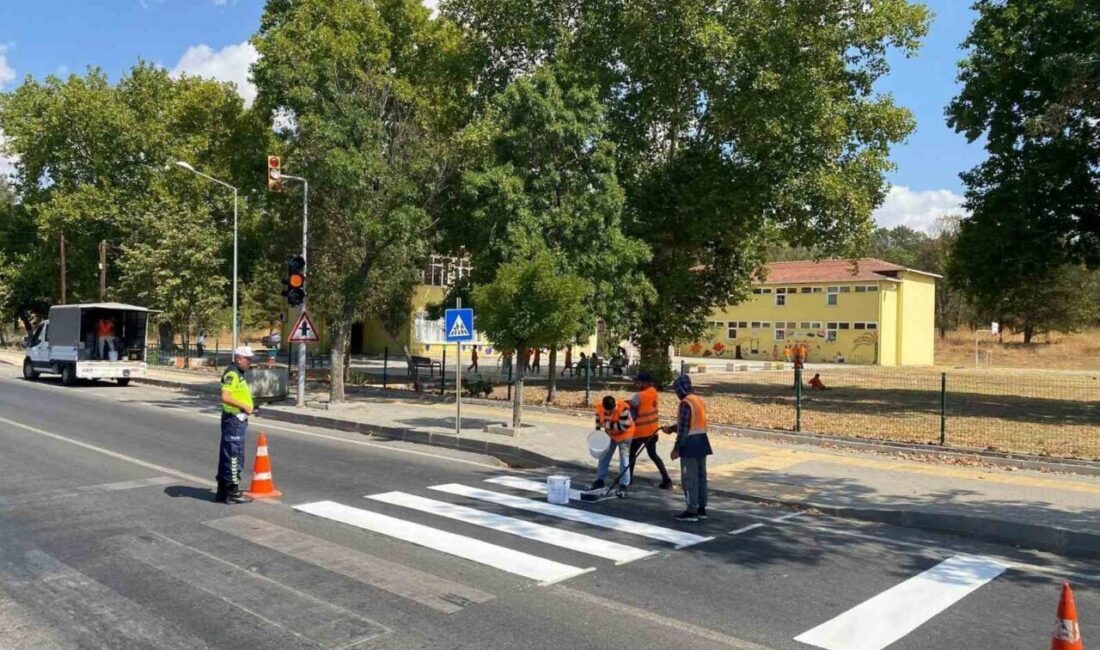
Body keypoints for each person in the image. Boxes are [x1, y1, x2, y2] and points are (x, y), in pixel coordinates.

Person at [662, 375, 713, 522]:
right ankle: (701, 509)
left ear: (680, 388)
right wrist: (671, 429)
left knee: (689, 478)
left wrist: (676, 448)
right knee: (701, 477)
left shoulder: (685, 403)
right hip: (702, 441)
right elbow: (691, 423)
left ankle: (691, 511)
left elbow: (684, 429)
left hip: (689, 444)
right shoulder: (697, 400)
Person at [216, 347, 256, 504]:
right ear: (239, 358)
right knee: (234, 455)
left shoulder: (238, 373)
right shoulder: (232, 373)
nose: (250, 362)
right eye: (248, 359)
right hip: (234, 420)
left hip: (235, 419)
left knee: (227, 453)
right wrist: (244, 406)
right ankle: (233, 491)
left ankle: (222, 492)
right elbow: (225, 396)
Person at [628, 372, 673, 489]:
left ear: (644, 382)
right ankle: (666, 479)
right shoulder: (654, 391)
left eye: (638, 381)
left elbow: (630, 411)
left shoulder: (638, 396)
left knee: (631, 455)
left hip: (640, 431)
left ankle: (628, 479)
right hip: (652, 430)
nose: (636, 383)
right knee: (653, 455)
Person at [589, 395, 635, 495]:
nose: (609, 413)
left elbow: (623, 426)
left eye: (611, 410)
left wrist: (605, 425)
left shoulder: (624, 409)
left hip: (625, 437)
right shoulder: (600, 407)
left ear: (615, 405)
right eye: (607, 411)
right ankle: (600, 480)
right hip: (610, 435)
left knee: (624, 460)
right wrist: (598, 433)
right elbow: (598, 419)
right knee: (604, 456)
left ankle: (623, 485)